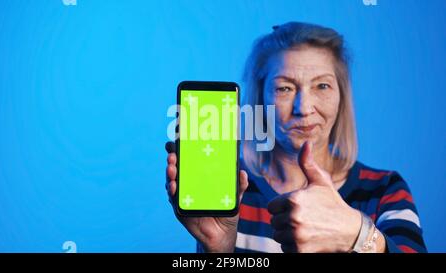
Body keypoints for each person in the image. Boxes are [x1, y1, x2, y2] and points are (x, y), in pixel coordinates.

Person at [165, 22, 427, 253]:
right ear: (260, 98)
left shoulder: (384, 190)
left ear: (341, 97)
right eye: (284, 88)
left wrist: (358, 235)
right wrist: (217, 251)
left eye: (322, 85)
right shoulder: (233, 191)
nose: (304, 107)